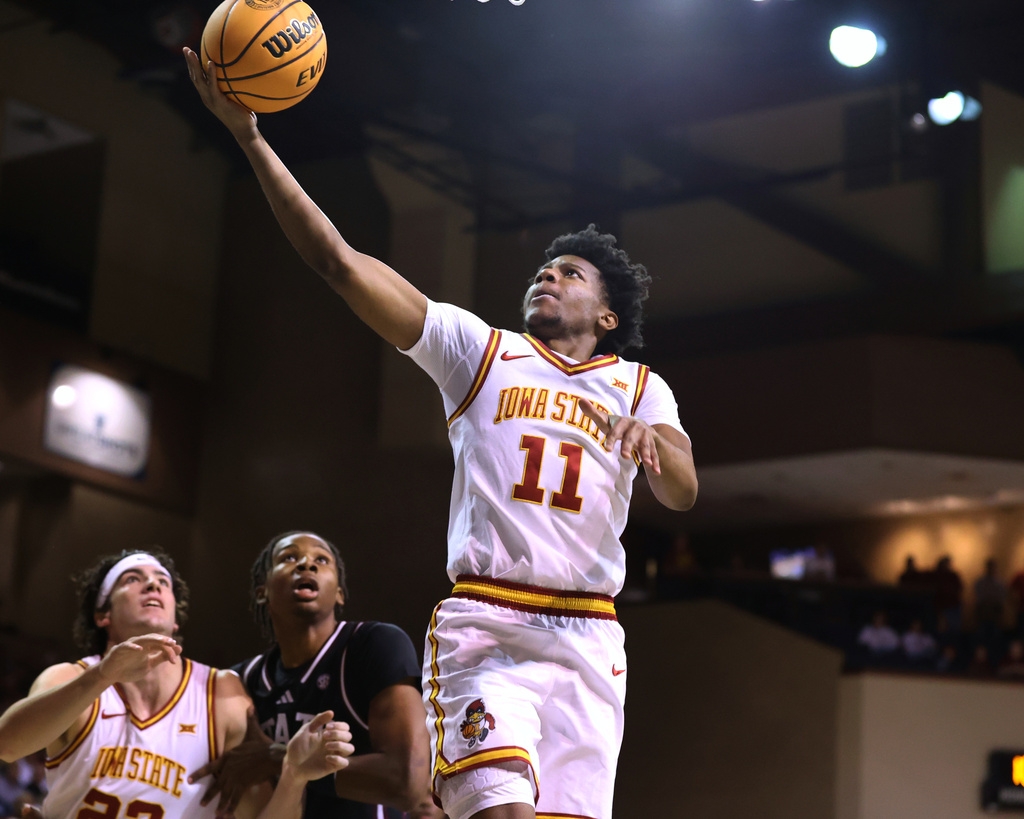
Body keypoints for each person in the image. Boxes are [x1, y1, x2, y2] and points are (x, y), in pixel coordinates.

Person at [184, 47, 698, 819]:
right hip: (489, 622)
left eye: (570, 274)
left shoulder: (639, 386)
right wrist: (252, 139)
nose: (547, 276)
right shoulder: (479, 351)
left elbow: (683, 489)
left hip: (592, 639)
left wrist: (652, 443)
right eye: (544, 269)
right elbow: (338, 262)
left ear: (607, 317)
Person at [0, 548, 354, 819]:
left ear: (174, 621)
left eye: (162, 581)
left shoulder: (221, 692)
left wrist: (294, 776)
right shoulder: (73, 678)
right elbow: (7, 744)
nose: (153, 583)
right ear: (102, 614)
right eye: (132, 579)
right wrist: (104, 676)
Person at [191, 531, 434, 819]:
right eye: (289, 557)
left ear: (340, 592)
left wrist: (277, 758)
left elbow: (408, 783)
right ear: (262, 590)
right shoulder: (241, 680)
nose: (307, 564)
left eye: (322, 559)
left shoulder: (374, 644)